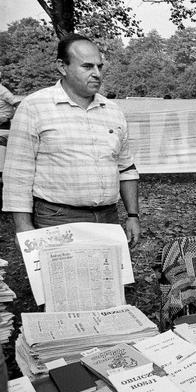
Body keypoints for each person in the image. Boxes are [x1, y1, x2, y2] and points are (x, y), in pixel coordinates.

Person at [2, 34, 140, 246]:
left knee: (106, 279)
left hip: (107, 218)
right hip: (56, 218)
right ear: (62, 67)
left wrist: (132, 215)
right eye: (87, 66)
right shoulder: (34, 107)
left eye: (99, 67)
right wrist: (23, 226)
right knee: (63, 279)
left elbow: (126, 168)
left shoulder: (113, 111)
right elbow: (17, 173)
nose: (97, 74)